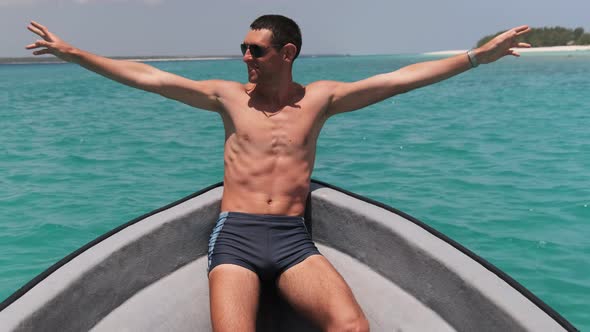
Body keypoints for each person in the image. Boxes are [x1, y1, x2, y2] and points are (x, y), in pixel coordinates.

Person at [26, 15, 531, 332]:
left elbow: (397, 79)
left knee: (352, 325)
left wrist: (474, 58)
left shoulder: (320, 100)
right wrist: (73, 54)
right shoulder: (226, 97)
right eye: (243, 48)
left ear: (286, 54)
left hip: (293, 239)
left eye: (256, 50)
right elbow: (151, 77)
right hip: (236, 238)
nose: (245, 57)